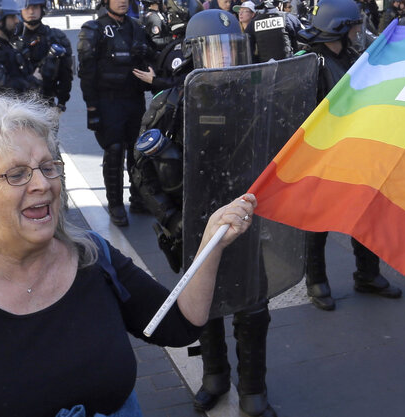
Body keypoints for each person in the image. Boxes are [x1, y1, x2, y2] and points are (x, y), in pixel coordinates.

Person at [0, 95, 257, 416]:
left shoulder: (94, 257)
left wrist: (212, 243)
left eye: (47, 167)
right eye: (17, 174)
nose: (42, 184)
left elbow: (178, 325)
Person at [132, 9, 277, 416]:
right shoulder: (171, 103)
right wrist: (171, 218)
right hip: (194, 224)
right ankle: (214, 377)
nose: (225, 59)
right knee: (203, 306)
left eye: (233, 49)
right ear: (195, 53)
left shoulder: (255, 95)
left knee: (252, 307)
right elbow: (141, 169)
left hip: (244, 221)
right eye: (215, 50)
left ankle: (254, 389)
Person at [298, 0, 402, 311]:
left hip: (356, 151)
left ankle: (368, 274)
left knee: (366, 214)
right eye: (355, 25)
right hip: (322, 155)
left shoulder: (353, 56)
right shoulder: (307, 63)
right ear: (341, 29)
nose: (360, 30)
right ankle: (316, 280)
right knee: (316, 222)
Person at [78, 0, 156, 227]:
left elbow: (154, 60)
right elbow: (86, 72)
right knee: (114, 152)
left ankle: (139, 198)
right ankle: (115, 204)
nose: (122, 1)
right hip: (108, 101)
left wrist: (147, 52)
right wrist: (91, 108)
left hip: (134, 99)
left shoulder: (137, 27)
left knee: (137, 151)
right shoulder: (93, 29)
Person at [14, 0, 73, 111]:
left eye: (35, 7)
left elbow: (66, 75)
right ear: (20, 10)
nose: (31, 11)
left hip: (47, 102)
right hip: (16, 105)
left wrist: (61, 103)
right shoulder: (11, 38)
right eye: (27, 8)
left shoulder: (56, 37)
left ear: (42, 8)